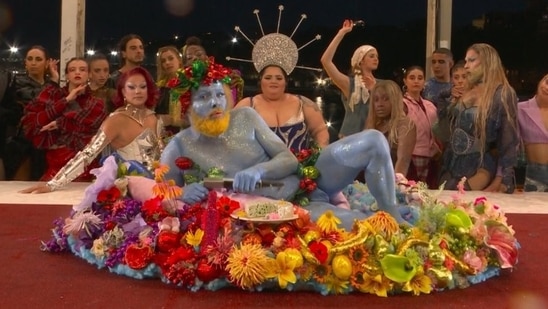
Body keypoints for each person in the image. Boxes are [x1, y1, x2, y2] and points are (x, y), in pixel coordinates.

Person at [161, 59, 407, 230]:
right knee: (361, 226)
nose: (215, 103)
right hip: (281, 208)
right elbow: (157, 192)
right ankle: (377, 221)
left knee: (374, 139)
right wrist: (183, 192)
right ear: (187, 104)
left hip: (306, 176)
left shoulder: (245, 117)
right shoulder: (179, 145)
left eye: (219, 95)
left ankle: (393, 214)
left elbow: (289, 160)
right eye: (204, 97)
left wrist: (258, 170)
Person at [20, 67, 163, 193]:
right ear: (123, 92)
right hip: (128, 192)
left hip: (158, 188)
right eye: (132, 87)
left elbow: (163, 158)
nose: (138, 91)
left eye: (143, 87)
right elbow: (87, 154)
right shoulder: (115, 120)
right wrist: (54, 184)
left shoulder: (154, 118)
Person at [440, 43, 519, 193]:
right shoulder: (465, 90)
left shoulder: (502, 93)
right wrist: (449, 100)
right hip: (450, 164)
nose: (466, 66)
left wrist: (503, 179)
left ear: (487, 62)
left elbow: (508, 140)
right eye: (466, 60)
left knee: (472, 210)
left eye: (471, 60)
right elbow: (445, 129)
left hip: (480, 166)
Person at [21, 57, 107, 181]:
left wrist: (60, 123)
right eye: (72, 70)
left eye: (82, 70)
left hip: (84, 166)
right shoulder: (54, 96)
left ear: (89, 74)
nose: (77, 72)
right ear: (66, 75)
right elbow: (34, 123)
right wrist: (66, 101)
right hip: (54, 163)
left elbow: (90, 130)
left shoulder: (96, 104)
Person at [235, 64, 329, 150]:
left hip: (300, 166)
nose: (273, 81)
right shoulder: (247, 104)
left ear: (285, 82)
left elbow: (320, 131)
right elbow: (230, 134)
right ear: (260, 81)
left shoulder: (302, 103)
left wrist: (316, 158)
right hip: (259, 167)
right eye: (268, 78)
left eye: (279, 78)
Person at [5, 45, 59, 180]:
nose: (33, 63)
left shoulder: (51, 84)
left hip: (47, 142)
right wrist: (54, 81)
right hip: (23, 144)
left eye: (38, 59)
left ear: (47, 63)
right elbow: (38, 99)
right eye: (30, 59)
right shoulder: (16, 82)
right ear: (25, 62)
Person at [321, 19, 379, 139]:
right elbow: (326, 61)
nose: (376, 59)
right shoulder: (350, 84)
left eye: (377, 56)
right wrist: (341, 33)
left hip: (372, 139)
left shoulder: (381, 85)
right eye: (371, 56)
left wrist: (374, 90)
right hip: (350, 138)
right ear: (361, 60)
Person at [366, 80, 416, 175]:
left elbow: (403, 160)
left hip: (399, 179)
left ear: (395, 100)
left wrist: (394, 186)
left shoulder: (405, 124)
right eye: (376, 100)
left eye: (386, 99)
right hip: (375, 179)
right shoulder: (372, 126)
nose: (380, 104)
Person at [402, 66, 439, 186]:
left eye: (420, 78)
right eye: (412, 78)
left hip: (431, 156)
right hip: (412, 155)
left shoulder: (430, 106)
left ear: (424, 81)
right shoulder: (402, 104)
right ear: (405, 81)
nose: (416, 81)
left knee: (428, 192)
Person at [517, 73, 548, 191]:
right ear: (540, 81)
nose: (547, 88)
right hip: (535, 177)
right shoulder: (520, 109)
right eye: (547, 81)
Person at [154, 45, 187, 134]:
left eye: (171, 58)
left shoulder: (189, 83)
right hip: (162, 136)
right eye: (163, 61)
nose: (167, 63)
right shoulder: (159, 87)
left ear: (179, 60)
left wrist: (173, 121)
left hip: (184, 135)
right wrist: (159, 118)